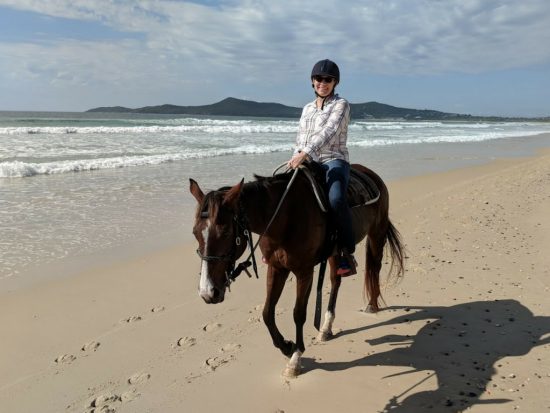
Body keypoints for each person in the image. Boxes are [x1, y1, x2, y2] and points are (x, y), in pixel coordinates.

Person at [287, 59, 357, 276]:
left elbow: (329, 131)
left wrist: (305, 153)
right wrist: (295, 157)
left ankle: (346, 251)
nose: (323, 83)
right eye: (319, 78)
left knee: (336, 198)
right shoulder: (307, 109)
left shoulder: (341, 104)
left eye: (328, 79)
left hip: (334, 160)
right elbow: (300, 138)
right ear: (312, 81)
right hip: (307, 159)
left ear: (335, 83)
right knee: (283, 192)